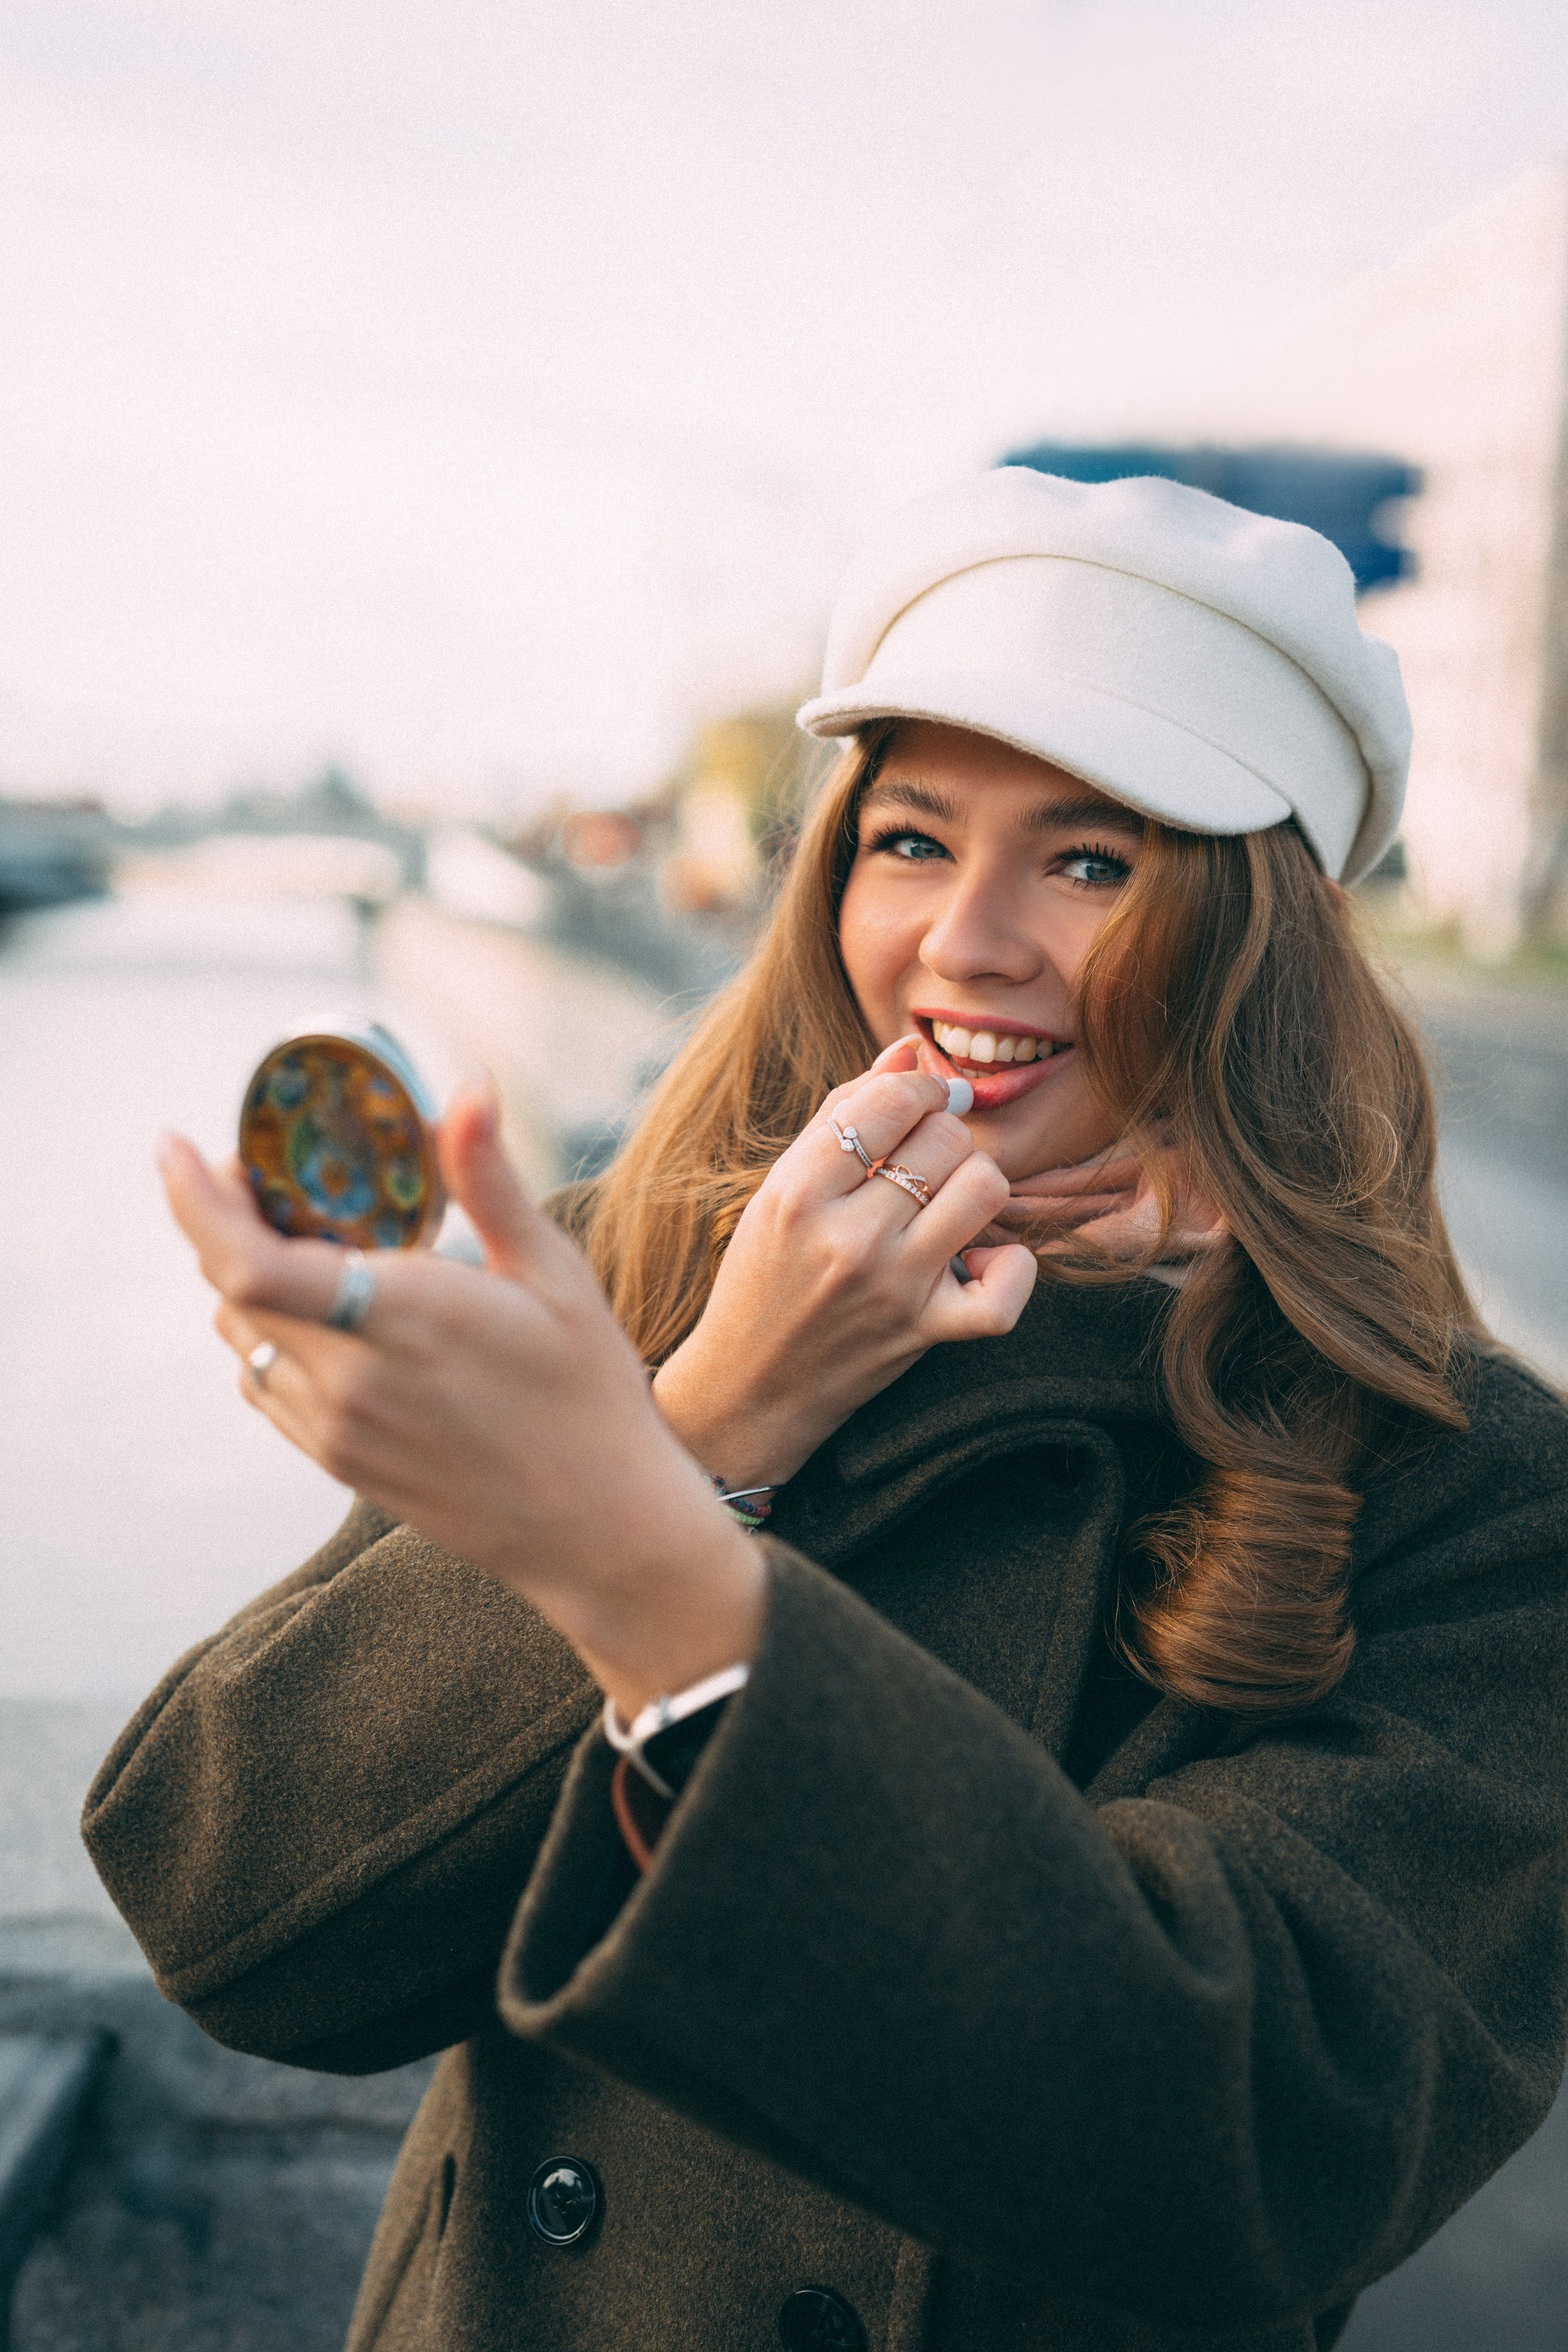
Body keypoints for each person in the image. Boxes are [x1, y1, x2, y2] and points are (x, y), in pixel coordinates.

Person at [86, 470, 1568, 2352]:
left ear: (1263, 928)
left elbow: (1248, 2147)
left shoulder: (1474, 1490)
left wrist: (642, 1550)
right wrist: (711, 1421)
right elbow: (233, 1917)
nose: (969, 941)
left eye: (1093, 860)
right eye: (911, 840)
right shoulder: (644, 1266)